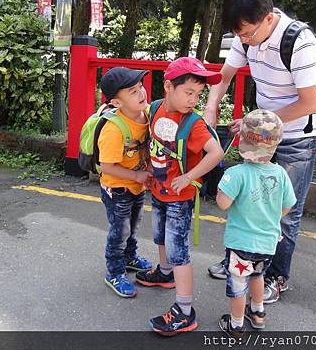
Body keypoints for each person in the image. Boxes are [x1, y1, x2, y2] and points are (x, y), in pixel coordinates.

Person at [203, 0, 316, 303]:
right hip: (260, 131)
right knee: (245, 197)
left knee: (283, 211)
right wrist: (211, 107)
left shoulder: (300, 42)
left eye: (247, 34)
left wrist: (258, 123)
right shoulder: (246, 36)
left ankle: (275, 276)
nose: (244, 41)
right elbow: (224, 77)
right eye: (238, 35)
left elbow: (308, 103)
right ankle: (240, 261)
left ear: (268, 18)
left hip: (296, 136)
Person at [135, 57, 225, 336]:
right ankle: (164, 273)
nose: (193, 100)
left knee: (179, 251)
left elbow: (216, 153)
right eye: (188, 92)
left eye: (198, 94)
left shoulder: (194, 124)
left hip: (180, 196)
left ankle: (185, 312)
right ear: (168, 87)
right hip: (159, 189)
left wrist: (188, 177)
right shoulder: (155, 109)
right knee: (160, 235)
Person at [216, 109, 296, 336]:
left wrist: (223, 188)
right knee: (257, 275)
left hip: (241, 243)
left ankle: (236, 324)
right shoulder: (280, 173)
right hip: (267, 243)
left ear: (243, 140)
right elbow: (288, 206)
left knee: (238, 284)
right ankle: (258, 312)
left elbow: (222, 203)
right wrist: (270, 217)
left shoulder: (237, 173)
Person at [98, 67, 154, 298]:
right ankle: (115, 271)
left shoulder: (147, 114)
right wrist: (137, 176)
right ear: (117, 103)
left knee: (133, 225)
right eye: (133, 91)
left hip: (136, 186)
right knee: (119, 231)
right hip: (117, 188)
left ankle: (130, 257)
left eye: (140, 87)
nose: (141, 93)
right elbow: (107, 166)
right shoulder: (113, 130)